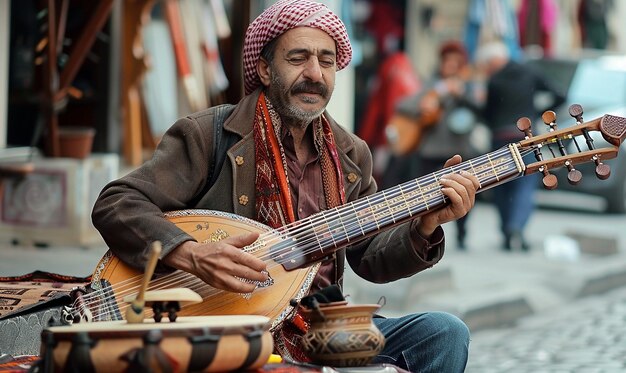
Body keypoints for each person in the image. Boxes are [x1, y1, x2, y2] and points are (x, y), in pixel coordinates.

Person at [92, 1, 479, 371]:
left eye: (326, 61)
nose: (315, 73)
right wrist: (191, 253)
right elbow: (117, 202)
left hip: (323, 329)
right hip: (231, 326)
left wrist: (425, 224)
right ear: (264, 69)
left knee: (443, 334)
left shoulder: (350, 154)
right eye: (298, 58)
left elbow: (370, 258)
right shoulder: (210, 135)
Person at [476, 41, 566, 251]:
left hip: (500, 138)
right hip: (525, 137)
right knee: (526, 184)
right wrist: (538, 113)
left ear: (494, 61)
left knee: (502, 185)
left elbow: (487, 114)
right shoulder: (529, 72)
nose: (487, 69)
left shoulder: (495, 79)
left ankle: (507, 229)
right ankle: (517, 226)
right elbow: (560, 95)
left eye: (487, 64)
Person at [394, 40, 484, 250]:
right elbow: (404, 104)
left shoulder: (468, 84)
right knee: (424, 193)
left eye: (456, 62)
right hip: (431, 148)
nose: (451, 66)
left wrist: (460, 93)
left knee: (466, 191)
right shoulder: (431, 84)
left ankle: (462, 233)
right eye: (448, 61)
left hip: (460, 149)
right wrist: (434, 96)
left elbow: (481, 107)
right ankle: (422, 234)